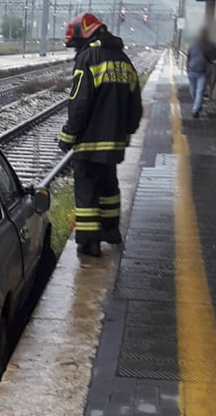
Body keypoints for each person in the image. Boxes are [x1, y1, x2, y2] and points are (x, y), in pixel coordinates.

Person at [58, 13, 143, 258]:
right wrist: (127, 131)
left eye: (76, 44)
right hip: (114, 142)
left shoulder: (88, 57)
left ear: (84, 36)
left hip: (89, 141)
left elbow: (79, 101)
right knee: (109, 187)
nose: (76, 49)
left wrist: (69, 134)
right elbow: (135, 104)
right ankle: (111, 232)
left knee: (86, 190)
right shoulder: (124, 60)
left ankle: (89, 243)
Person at [186, 28, 216, 118]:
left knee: (200, 91)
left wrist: (206, 52)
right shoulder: (193, 44)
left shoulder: (210, 45)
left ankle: (195, 110)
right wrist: (187, 69)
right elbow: (188, 56)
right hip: (192, 71)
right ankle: (198, 105)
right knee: (193, 92)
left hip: (203, 72)